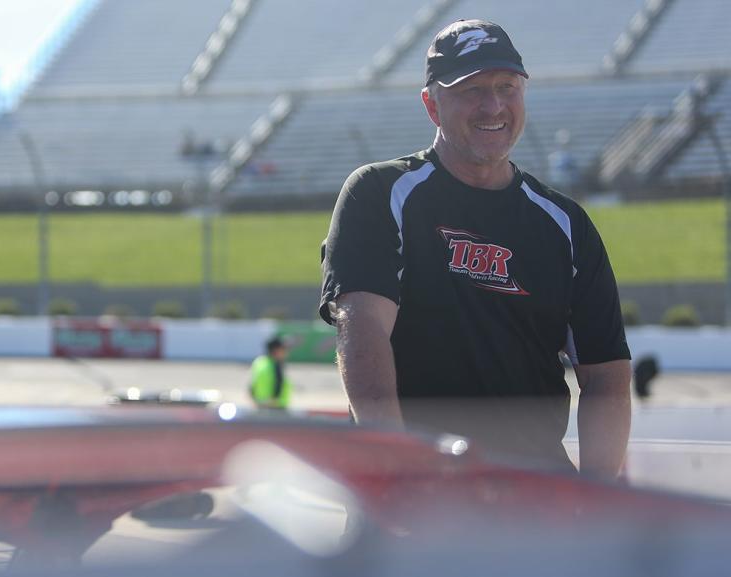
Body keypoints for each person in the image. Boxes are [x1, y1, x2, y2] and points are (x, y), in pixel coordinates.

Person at [318, 19, 631, 478]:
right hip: (417, 488)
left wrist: (595, 500)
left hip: (533, 498)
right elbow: (363, 335)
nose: (494, 105)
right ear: (432, 105)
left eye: (507, 86)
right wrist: (395, 466)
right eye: (471, 89)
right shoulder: (381, 192)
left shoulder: (565, 224)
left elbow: (606, 380)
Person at [248, 337, 293, 410]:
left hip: (260, 405)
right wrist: (273, 401)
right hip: (276, 407)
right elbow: (278, 384)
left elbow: (252, 386)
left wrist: (256, 401)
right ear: (276, 351)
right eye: (283, 349)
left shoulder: (259, 362)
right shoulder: (275, 365)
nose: (286, 352)